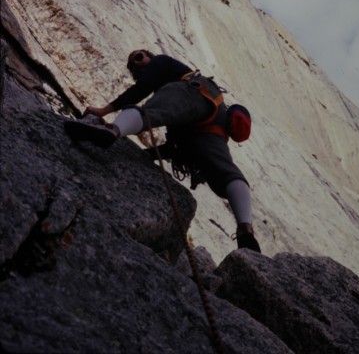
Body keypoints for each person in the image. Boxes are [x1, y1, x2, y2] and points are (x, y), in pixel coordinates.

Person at [64, 49, 261, 253]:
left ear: (150, 56)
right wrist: (147, 155)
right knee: (225, 172)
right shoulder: (183, 106)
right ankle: (246, 231)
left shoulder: (161, 62)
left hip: (194, 90)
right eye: (133, 65)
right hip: (211, 121)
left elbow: (142, 89)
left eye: (139, 57)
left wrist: (104, 111)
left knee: (149, 113)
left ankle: (111, 131)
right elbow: (176, 148)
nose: (137, 63)